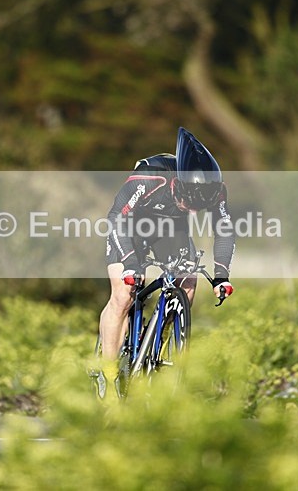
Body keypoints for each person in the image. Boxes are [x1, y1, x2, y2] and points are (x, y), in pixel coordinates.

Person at [93, 127, 235, 399]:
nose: (192, 210)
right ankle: (108, 378)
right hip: (131, 226)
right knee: (124, 294)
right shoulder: (150, 178)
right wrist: (131, 263)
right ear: (177, 185)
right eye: (186, 203)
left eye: (197, 209)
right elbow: (117, 219)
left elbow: (225, 230)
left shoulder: (216, 189)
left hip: (171, 228)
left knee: (188, 282)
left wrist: (222, 276)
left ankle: (158, 342)